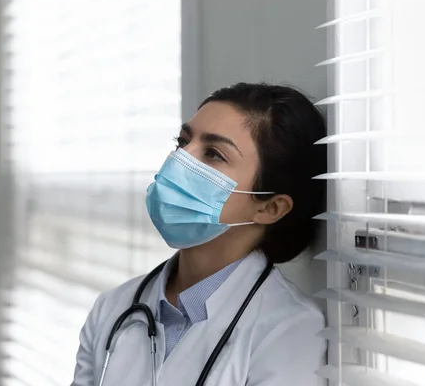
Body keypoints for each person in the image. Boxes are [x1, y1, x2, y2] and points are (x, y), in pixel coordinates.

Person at [71, 83, 328, 386]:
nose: (180, 160)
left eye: (214, 154)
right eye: (183, 142)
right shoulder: (113, 308)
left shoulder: (288, 330)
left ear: (270, 207)